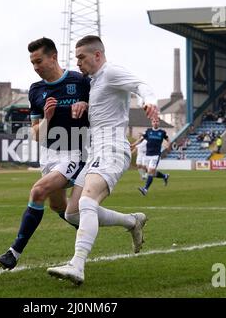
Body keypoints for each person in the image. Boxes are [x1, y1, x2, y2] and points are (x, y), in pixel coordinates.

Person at [46, 35, 159, 285]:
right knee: (73, 213)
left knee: (87, 201)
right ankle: (132, 221)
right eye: (76, 59)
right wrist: (84, 105)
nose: (78, 63)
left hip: (111, 150)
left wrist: (149, 102)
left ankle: (77, 265)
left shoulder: (111, 72)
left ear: (97, 55)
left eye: (81, 58)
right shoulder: (95, 81)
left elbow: (142, 86)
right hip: (96, 153)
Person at [0, 37, 91, 270]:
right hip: (49, 155)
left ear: (53, 57)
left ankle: (13, 253)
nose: (36, 67)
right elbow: (37, 134)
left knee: (38, 191)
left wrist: (86, 106)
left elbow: (99, 109)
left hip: (74, 153)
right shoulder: (36, 90)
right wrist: (47, 118)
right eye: (32, 63)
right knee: (61, 209)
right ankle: (101, 225)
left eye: (39, 61)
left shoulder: (80, 82)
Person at [137, 118, 171, 196]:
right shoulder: (148, 131)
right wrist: (133, 145)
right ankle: (164, 176)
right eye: (154, 121)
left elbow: (168, 139)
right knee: (151, 172)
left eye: (157, 121)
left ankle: (145, 189)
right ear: (152, 123)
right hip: (147, 155)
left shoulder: (162, 132)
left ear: (159, 123)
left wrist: (168, 145)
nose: (155, 123)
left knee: (150, 171)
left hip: (156, 155)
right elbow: (141, 139)